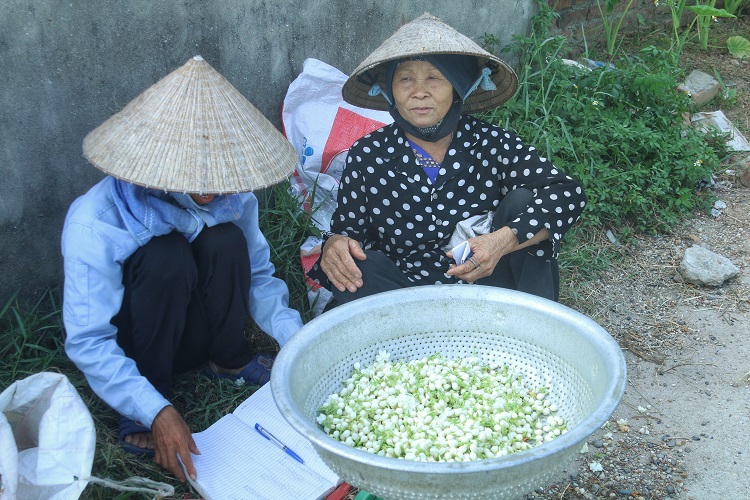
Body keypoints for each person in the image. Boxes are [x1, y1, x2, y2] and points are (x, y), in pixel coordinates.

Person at [61, 56, 303, 483]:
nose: (211, 188)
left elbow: (259, 276)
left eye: (219, 173)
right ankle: (145, 401)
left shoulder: (232, 196)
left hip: (191, 327)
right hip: (137, 344)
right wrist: (153, 408)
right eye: (195, 173)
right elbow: (89, 339)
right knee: (164, 255)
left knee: (225, 239)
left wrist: (297, 341)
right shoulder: (96, 220)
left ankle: (227, 360)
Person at [316, 13, 587, 304]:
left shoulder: (490, 142)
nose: (419, 92)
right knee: (355, 265)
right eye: (405, 78)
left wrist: (501, 241)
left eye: (435, 77)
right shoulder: (368, 154)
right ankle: (410, 337)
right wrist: (336, 243)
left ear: (458, 86)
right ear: (390, 90)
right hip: (406, 293)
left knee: (522, 202)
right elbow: (348, 231)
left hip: (488, 282)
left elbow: (568, 192)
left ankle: (533, 330)